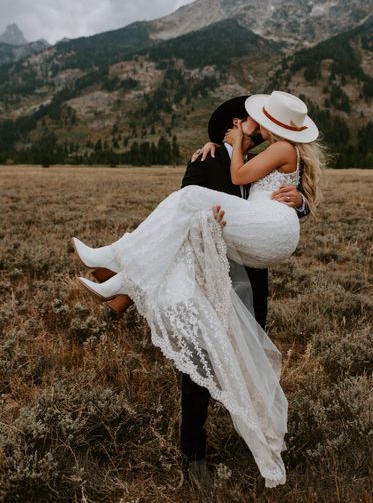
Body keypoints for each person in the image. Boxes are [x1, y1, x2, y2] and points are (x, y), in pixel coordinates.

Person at [72, 91, 325, 488]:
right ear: (234, 125)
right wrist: (208, 221)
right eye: (251, 119)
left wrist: (300, 205)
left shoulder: (264, 158)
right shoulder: (205, 159)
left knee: (251, 356)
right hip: (205, 278)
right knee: (200, 365)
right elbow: (179, 219)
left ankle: (260, 434)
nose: (259, 125)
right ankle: (193, 451)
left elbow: (278, 198)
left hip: (250, 278)